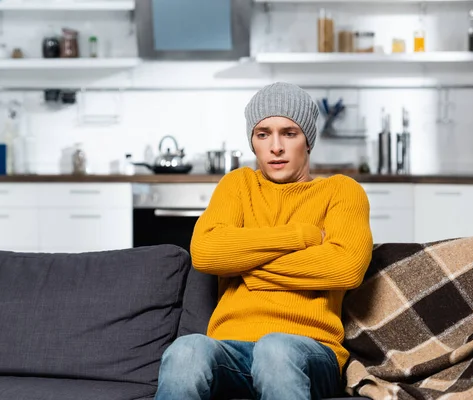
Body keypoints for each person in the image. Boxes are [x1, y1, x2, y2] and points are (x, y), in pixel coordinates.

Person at [154, 82, 374, 400]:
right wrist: (302, 236)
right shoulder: (237, 185)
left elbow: (345, 268)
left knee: (275, 348)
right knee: (186, 349)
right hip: (230, 349)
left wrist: (243, 263)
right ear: (253, 142)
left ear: (308, 141)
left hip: (308, 351)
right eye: (262, 134)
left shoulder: (341, 191)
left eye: (289, 132)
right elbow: (205, 252)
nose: (275, 147)